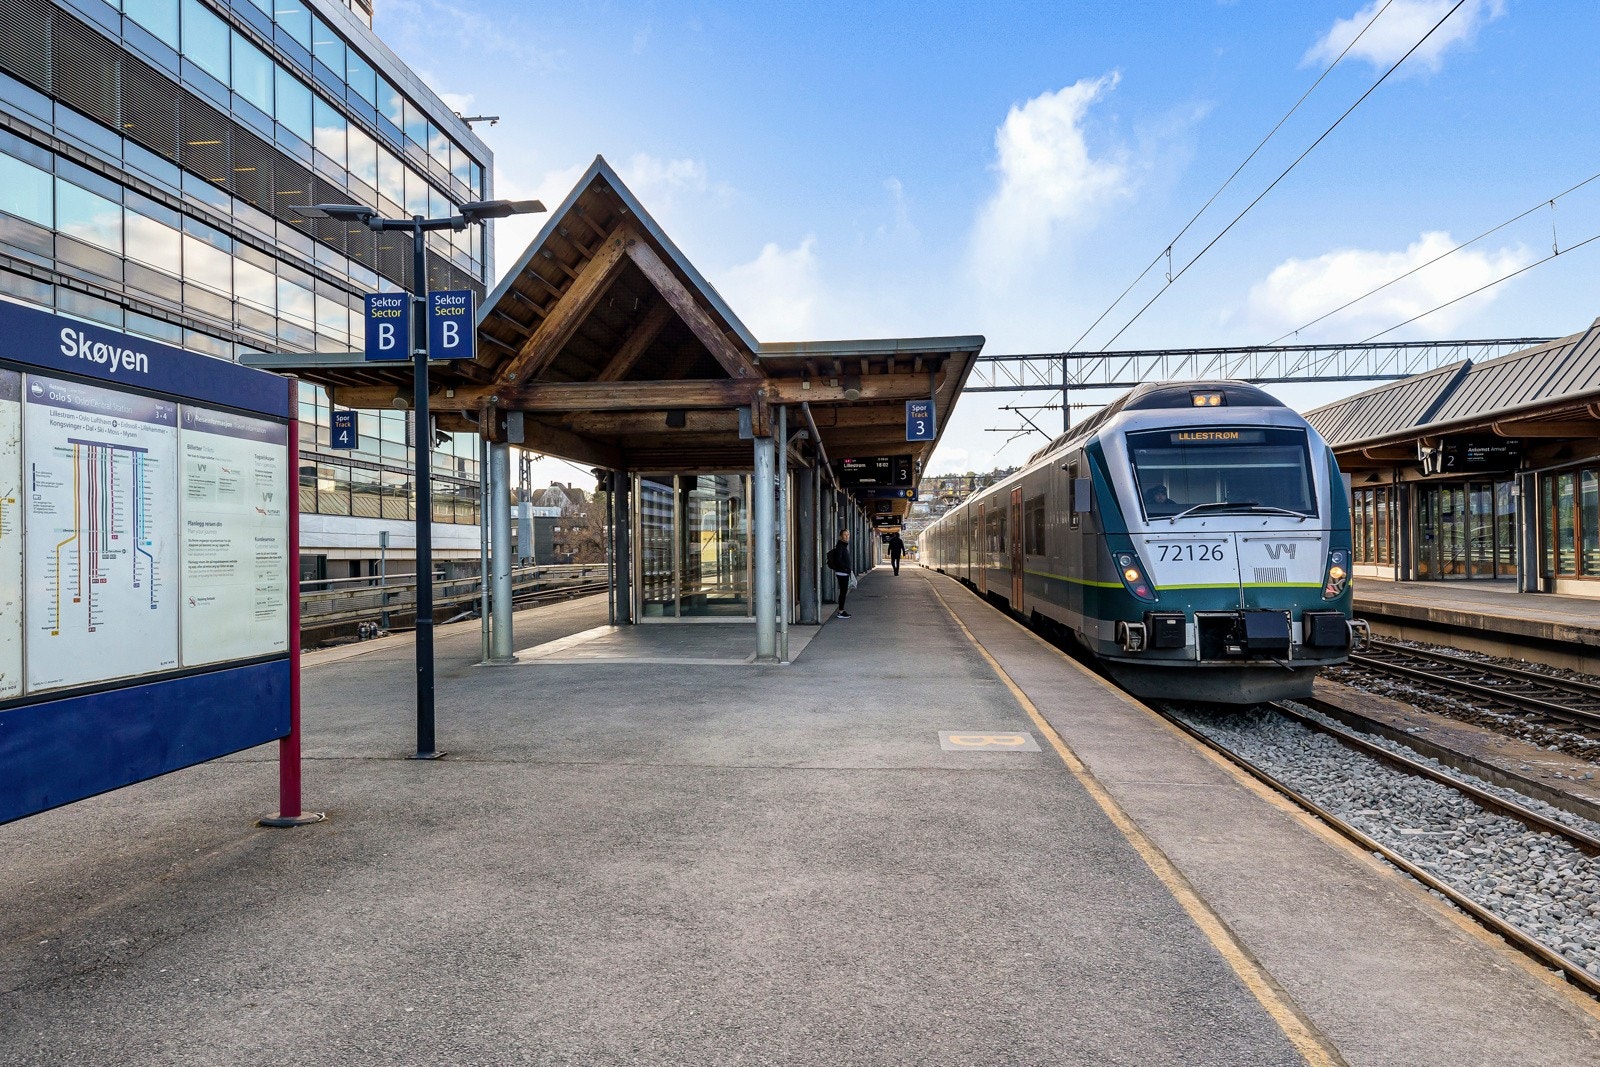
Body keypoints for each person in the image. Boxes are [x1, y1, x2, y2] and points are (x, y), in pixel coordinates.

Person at [827, 528, 853, 618]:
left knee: (843, 591)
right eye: (845, 535)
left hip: (843, 572)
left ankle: (841, 610)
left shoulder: (843, 546)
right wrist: (845, 568)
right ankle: (841, 611)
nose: (847, 536)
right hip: (842, 572)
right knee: (843, 592)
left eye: (848, 535)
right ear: (840, 536)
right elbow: (838, 560)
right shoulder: (840, 546)